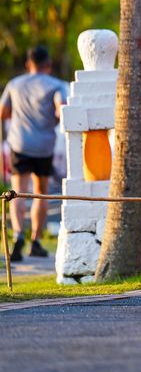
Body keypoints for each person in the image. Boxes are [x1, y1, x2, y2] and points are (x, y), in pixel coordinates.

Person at [0, 45, 66, 261]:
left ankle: (18, 236)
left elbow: (3, 112)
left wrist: (19, 115)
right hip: (44, 146)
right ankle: (36, 241)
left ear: (29, 64)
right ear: (48, 65)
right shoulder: (56, 85)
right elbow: (61, 108)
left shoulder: (14, 84)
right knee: (40, 192)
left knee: (17, 191)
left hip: (19, 144)